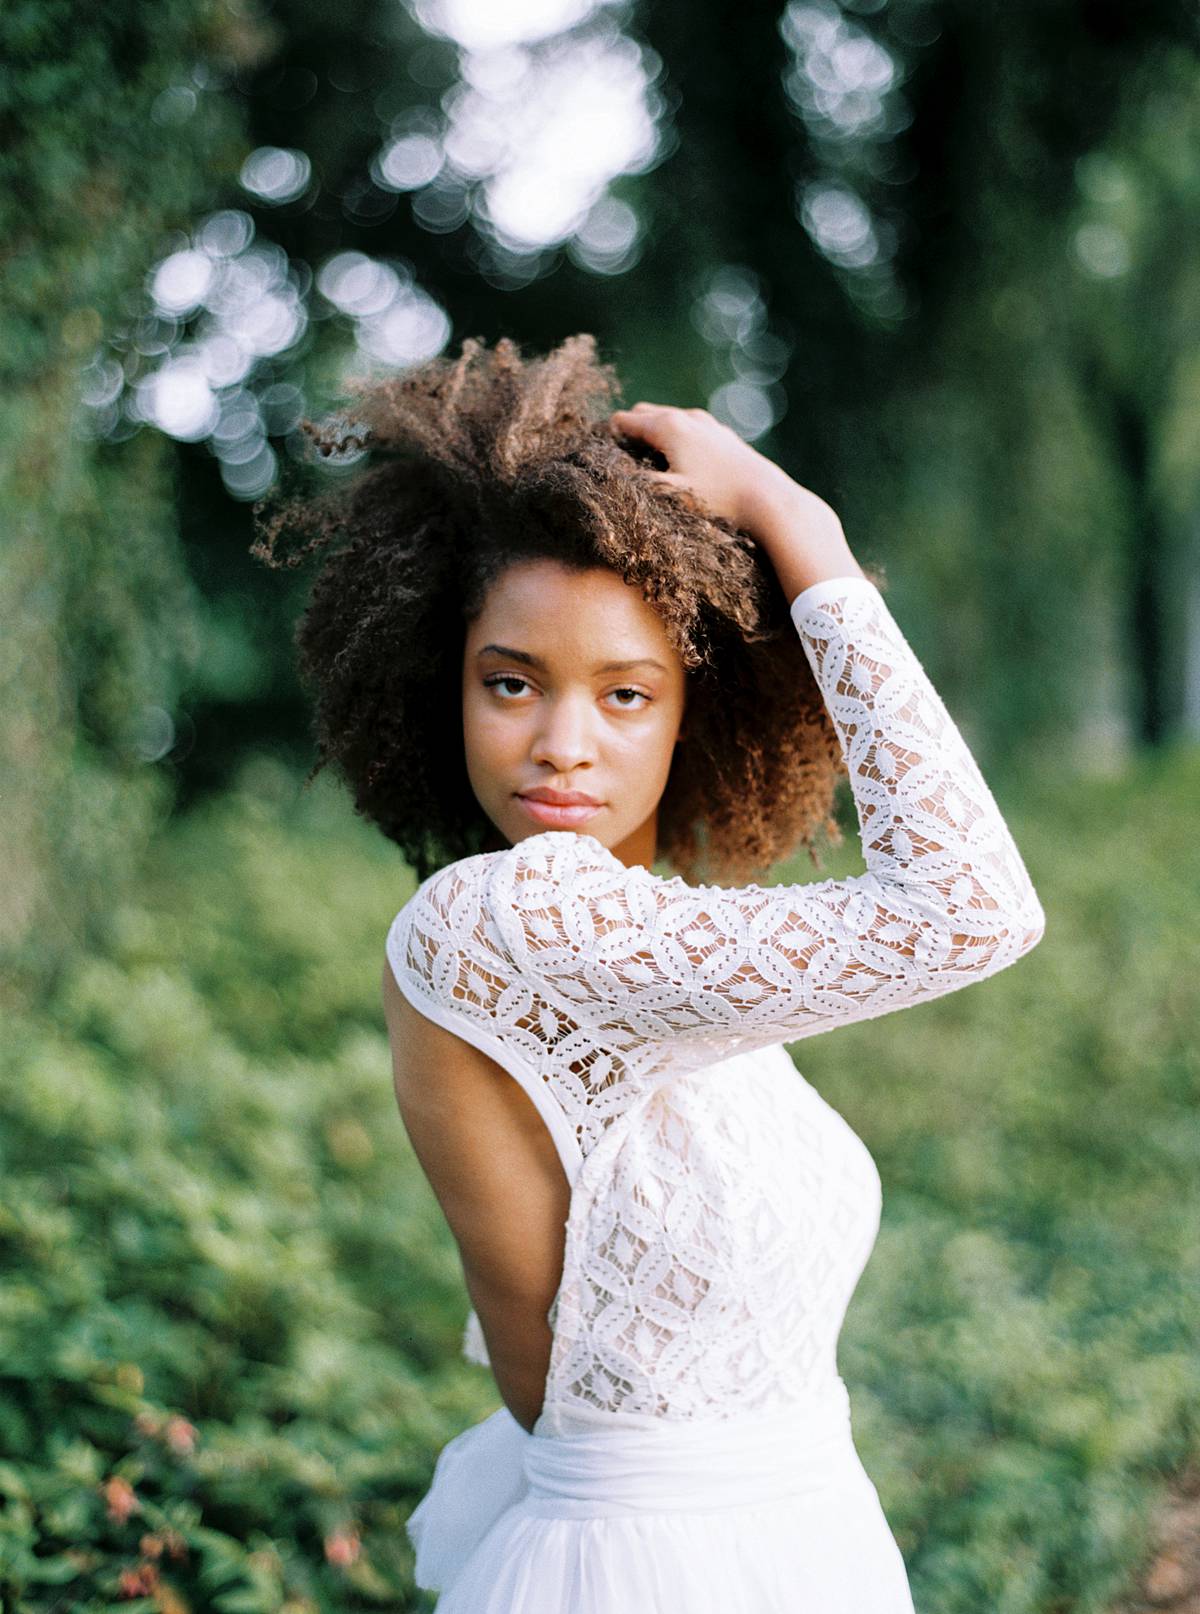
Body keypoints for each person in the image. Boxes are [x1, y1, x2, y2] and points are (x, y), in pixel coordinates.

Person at [252, 332, 1045, 1612]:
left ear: (696, 712)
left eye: (627, 695)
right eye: (511, 683)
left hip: (797, 1540)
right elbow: (969, 910)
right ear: (436, 689)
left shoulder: (639, 935)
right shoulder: (504, 920)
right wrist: (804, 531)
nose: (563, 744)